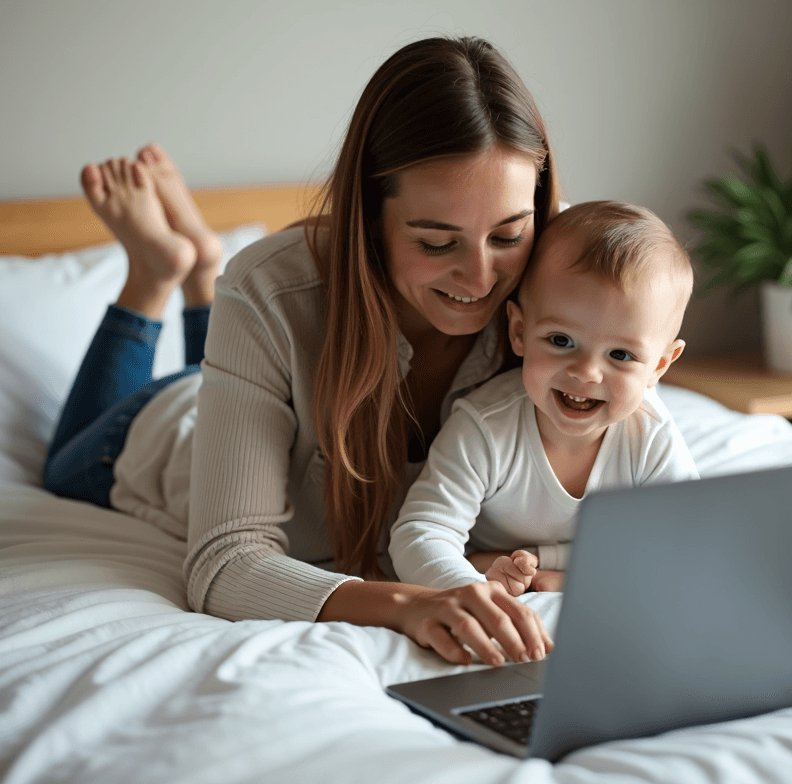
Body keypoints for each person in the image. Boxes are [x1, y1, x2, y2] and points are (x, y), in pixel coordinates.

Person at [42, 36, 557, 669]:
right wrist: (407, 604)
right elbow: (225, 563)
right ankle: (157, 273)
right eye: (436, 243)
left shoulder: (558, 279)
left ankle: (202, 269)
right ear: (370, 218)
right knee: (64, 466)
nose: (481, 280)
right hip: (162, 429)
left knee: (247, 315)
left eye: (507, 235)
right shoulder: (270, 290)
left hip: (254, 364)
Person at [389, 201, 699, 596]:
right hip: (483, 559)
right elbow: (421, 531)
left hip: (586, 560)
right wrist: (468, 588)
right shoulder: (485, 426)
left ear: (659, 365)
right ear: (519, 330)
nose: (586, 372)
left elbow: (685, 545)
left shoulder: (649, 436)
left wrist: (555, 566)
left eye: (620, 355)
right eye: (560, 341)